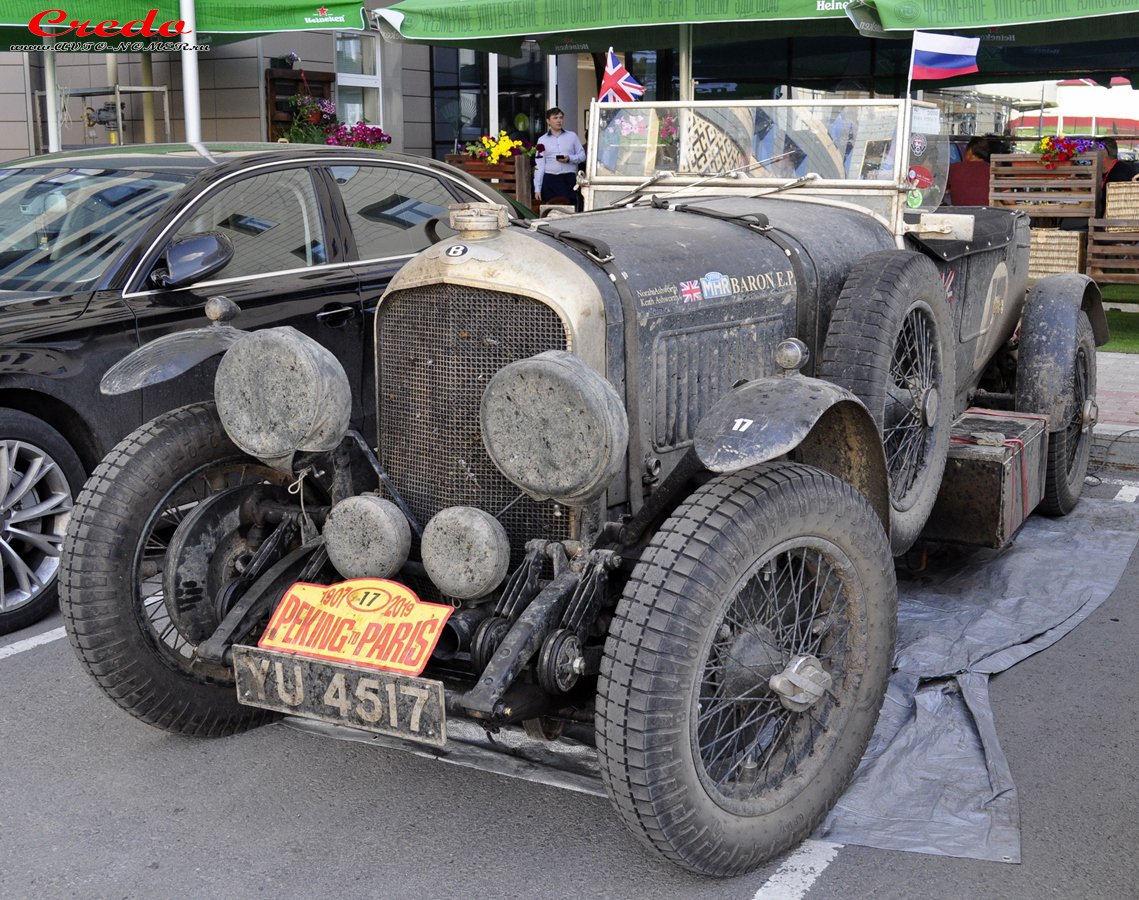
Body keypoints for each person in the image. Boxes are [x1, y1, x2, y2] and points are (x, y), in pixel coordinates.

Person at [534, 107, 586, 209]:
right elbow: (539, 165)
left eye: (561, 117)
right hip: (550, 179)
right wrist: (537, 188)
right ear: (548, 121)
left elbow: (582, 156)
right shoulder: (542, 140)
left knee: (571, 209)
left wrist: (570, 158)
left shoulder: (572, 136)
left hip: (568, 179)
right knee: (551, 211)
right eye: (555, 118)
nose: (559, 120)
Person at [945, 136, 992, 206]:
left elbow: (942, 191)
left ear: (969, 151)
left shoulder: (953, 168)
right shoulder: (993, 170)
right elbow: (1009, 200)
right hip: (987, 214)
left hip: (960, 214)